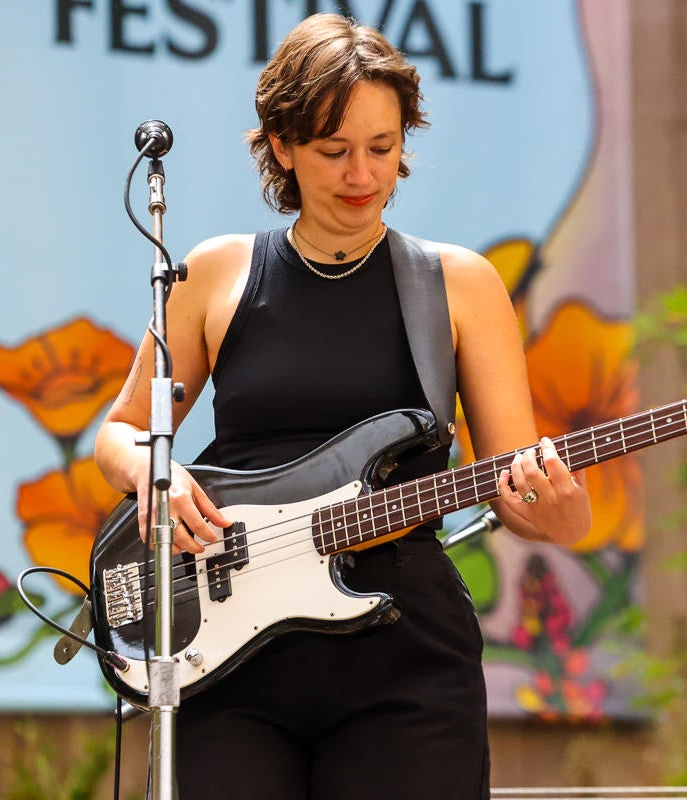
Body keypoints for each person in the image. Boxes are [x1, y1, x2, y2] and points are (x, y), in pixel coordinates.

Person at [94, 12, 591, 799]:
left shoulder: (459, 284)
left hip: (406, 664)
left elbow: (516, 483)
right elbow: (118, 432)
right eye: (333, 151)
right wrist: (156, 473)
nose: (362, 174)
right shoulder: (215, 274)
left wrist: (561, 519)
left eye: (383, 149)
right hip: (230, 656)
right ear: (283, 146)